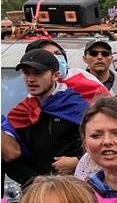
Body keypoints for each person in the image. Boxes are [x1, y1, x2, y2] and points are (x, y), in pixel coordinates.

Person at [4, 49, 90, 185]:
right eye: (26, 73)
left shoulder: (76, 106)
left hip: (72, 188)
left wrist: (78, 162)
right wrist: (33, 180)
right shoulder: (20, 112)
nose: (30, 79)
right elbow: (11, 159)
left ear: (55, 75)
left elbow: (101, 148)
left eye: (38, 73)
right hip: (34, 191)